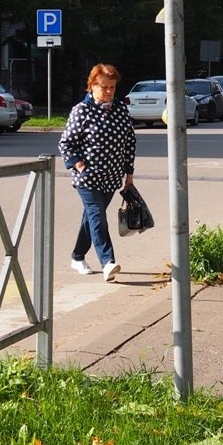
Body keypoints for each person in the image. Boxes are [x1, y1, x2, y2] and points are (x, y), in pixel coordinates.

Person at [59, 63, 136, 282]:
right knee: (98, 217)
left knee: (91, 219)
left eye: (112, 86)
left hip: (112, 178)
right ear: (92, 85)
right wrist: (80, 166)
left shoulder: (120, 109)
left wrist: (129, 173)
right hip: (88, 179)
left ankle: (77, 256)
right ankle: (108, 262)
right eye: (104, 87)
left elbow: (130, 142)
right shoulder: (82, 110)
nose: (109, 91)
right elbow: (66, 144)